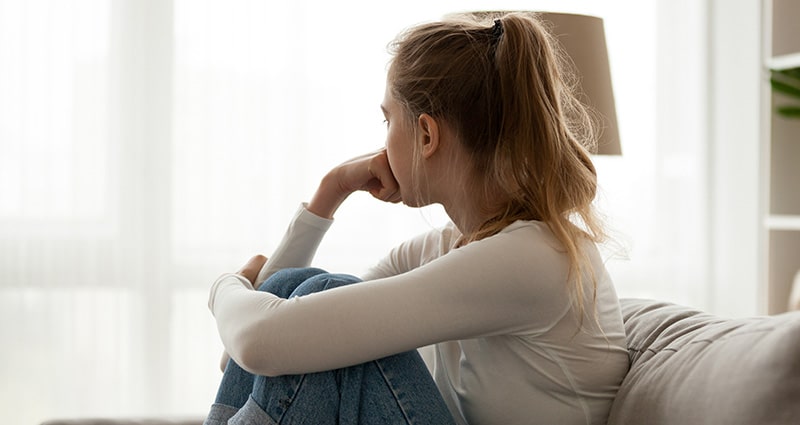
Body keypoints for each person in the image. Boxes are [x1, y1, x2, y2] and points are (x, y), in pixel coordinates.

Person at [204, 11, 629, 425]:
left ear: (427, 135)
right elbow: (251, 351)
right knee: (302, 290)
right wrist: (330, 191)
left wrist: (226, 287)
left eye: (388, 119)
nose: (382, 141)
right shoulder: (449, 247)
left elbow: (258, 341)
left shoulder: (532, 258)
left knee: (324, 291)